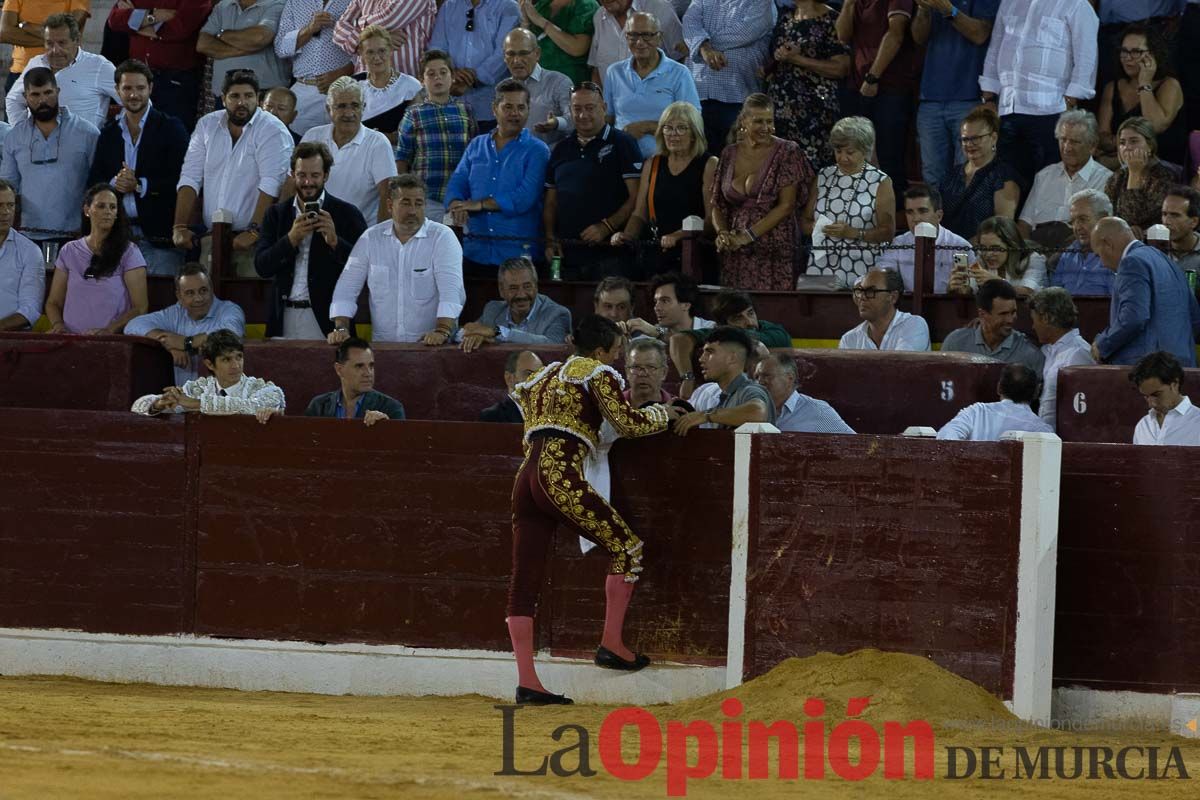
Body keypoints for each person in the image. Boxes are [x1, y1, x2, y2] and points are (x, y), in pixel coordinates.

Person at [506, 313, 679, 704]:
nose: (617, 360)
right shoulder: (596, 372)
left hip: (525, 479)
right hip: (558, 476)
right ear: (601, 350)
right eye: (616, 352)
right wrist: (661, 414)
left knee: (524, 580)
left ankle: (528, 683)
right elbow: (628, 424)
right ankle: (611, 645)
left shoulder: (542, 376)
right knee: (627, 547)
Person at [174, 69, 294, 278]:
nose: (242, 102)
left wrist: (255, 231)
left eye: (248, 96)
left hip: (255, 240)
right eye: (235, 96)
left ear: (258, 98)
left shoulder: (273, 129)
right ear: (223, 99)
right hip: (213, 237)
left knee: (251, 304)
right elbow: (190, 177)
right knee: (207, 303)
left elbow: (272, 183)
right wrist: (179, 225)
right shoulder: (207, 125)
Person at [328, 173, 464, 344]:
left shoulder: (443, 237)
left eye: (419, 203)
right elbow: (346, 289)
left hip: (431, 348)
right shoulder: (370, 239)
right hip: (383, 349)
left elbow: (452, 293)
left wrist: (442, 331)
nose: (413, 211)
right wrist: (341, 328)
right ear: (390, 205)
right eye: (406, 203)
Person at [255, 142, 369, 339]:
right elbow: (262, 266)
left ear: (326, 175)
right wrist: (290, 240)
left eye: (315, 175)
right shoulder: (275, 214)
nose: (308, 182)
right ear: (293, 174)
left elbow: (367, 267)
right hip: (284, 316)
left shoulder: (347, 213)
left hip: (329, 319)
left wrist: (335, 242)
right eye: (302, 175)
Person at [978, 0, 1098, 187]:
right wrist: (989, 96)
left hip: (1051, 111)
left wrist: (1070, 101)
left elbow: (1086, 59)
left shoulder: (1076, 5)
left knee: (1048, 182)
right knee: (1007, 182)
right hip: (1008, 109)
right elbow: (995, 49)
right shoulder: (1009, 3)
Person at [88, 59, 190, 277]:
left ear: (150, 88)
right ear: (117, 90)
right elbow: (94, 182)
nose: (134, 95)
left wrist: (140, 185)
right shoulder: (108, 134)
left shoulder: (171, 128)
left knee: (161, 301)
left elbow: (185, 179)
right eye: (127, 88)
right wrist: (115, 184)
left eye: (140, 88)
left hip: (160, 239)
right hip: (115, 237)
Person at [445, 78, 551, 274]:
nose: (515, 113)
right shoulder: (477, 145)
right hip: (475, 253)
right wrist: (456, 204)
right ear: (494, 108)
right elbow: (457, 183)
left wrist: (480, 204)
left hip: (518, 257)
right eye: (508, 107)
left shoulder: (537, 150)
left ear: (528, 110)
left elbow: (525, 197)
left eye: (521, 107)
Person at [713, 93, 812, 291]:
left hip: (775, 247)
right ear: (743, 121)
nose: (766, 128)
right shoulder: (728, 153)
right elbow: (717, 202)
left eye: (770, 121)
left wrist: (748, 236)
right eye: (759, 121)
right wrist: (723, 233)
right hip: (736, 250)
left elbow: (787, 205)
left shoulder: (788, 151)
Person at [544, 81, 642, 280]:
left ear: (604, 108)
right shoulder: (561, 148)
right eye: (577, 109)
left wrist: (607, 226)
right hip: (567, 256)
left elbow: (637, 197)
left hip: (611, 256)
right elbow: (550, 202)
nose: (583, 115)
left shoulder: (623, 143)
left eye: (590, 108)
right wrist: (549, 239)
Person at [611, 101, 715, 274]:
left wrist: (679, 235)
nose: (673, 134)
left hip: (695, 256)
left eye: (681, 128)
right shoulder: (653, 163)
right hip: (657, 254)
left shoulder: (709, 164)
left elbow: (712, 220)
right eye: (668, 128)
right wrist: (626, 237)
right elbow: (639, 214)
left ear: (694, 134)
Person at [0, 67, 99, 243]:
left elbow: (98, 185)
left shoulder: (87, 133)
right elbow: (8, 187)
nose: (43, 100)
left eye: (48, 93)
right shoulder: (14, 137)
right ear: (26, 97)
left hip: (76, 235)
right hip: (28, 235)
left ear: (58, 91)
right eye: (35, 95)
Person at [834, 0, 920, 204]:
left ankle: (894, 221)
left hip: (890, 87)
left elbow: (896, 34)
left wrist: (873, 77)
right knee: (854, 154)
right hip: (856, 86)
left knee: (889, 158)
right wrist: (848, 4)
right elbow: (843, 35)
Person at [912, 0, 999, 191]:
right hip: (931, 98)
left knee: (970, 170)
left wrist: (947, 9)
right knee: (932, 175)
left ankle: (964, 221)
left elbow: (980, 34)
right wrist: (923, 9)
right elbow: (919, 37)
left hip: (970, 97)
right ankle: (935, 221)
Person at [1090, 216, 1200, 367]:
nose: (1101, 263)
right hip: (1182, 365)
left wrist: (1102, 344)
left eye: (1098, 255)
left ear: (1107, 243)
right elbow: (1194, 318)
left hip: (1149, 371)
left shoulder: (1131, 262)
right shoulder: (1168, 262)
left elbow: (1134, 316)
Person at [43, 183, 147, 336]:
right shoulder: (69, 251)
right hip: (71, 339)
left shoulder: (130, 252)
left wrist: (109, 330)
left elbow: (140, 307)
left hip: (111, 341)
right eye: (101, 206)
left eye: (113, 207)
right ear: (87, 210)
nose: (107, 212)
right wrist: (58, 325)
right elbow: (53, 303)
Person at [124, 262, 246, 383]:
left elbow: (230, 333)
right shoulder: (175, 313)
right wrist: (167, 343)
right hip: (183, 396)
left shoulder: (229, 310)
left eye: (203, 290)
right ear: (179, 296)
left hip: (222, 397)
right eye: (190, 293)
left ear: (211, 289)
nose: (198, 298)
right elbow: (133, 325)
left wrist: (185, 343)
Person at [807, 115, 892, 288]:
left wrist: (854, 233)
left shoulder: (880, 181)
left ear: (865, 150)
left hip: (863, 269)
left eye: (850, 152)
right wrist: (819, 228)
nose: (843, 158)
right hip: (821, 267)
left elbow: (888, 232)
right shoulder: (824, 176)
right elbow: (804, 221)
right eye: (838, 151)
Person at [682, 0, 776, 154]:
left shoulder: (761, 2)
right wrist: (704, 49)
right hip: (698, 95)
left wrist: (699, 44)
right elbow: (689, 22)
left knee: (737, 158)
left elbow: (745, 32)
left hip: (737, 97)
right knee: (699, 160)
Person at [300, 76, 397, 223]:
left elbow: (388, 194)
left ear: (363, 108)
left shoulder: (377, 143)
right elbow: (292, 182)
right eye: (341, 106)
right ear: (328, 109)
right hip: (313, 229)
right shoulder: (313, 136)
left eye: (355, 106)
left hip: (359, 236)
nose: (349, 113)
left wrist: (380, 238)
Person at [603, 11, 699, 159]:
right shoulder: (614, 72)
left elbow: (693, 124)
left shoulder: (679, 73)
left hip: (666, 159)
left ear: (659, 38)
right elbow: (608, 118)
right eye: (633, 35)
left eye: (647, 35)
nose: (640, 42)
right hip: (621, 157)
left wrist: (647, 127)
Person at [765, 0, 848, 171]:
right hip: (780, 110)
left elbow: (840, 68)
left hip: (815, 113)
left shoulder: (832, 20)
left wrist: (798, 59)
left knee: (813, 171)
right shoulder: (786, 18)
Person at [131, 329, 286, 421]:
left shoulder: (263, 389)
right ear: (209, 364)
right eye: (226, 359)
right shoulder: (198, 389)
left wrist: (197, 404)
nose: (236, 365)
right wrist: (159, 404)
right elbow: (138, 406)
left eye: (239, 357)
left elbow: (252, 406)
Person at [395, 49, 476, 221]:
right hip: (426, 197)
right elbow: (402, 157)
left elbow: (473, 153)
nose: (437, 77)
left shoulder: (465, 110)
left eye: (443, 72)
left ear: (452, 76)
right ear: (422, 80)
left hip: (460, 197)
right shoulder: (413, 114)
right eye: (431, 74)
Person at [105, 0, 213, 130]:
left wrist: (136, 22)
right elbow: (115, 20)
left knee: (174, 136)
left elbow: (179, 29)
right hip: (140, 78)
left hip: (176, 81)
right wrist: (153, 15)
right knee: (138, 135)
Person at [1017, 109, 1113, 248]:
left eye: (1074, 142)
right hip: (1037, 247)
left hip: (1077, 248)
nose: (1067, 148)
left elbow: (1103, 229)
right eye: (1063, 140)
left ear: (1092, 146)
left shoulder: (1106, 179)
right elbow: (1024, 224)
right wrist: (1028, 254)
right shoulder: (1044, 175)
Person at [5, 13, 119, 130]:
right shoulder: (36, 63)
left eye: (62, 43)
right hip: (39, 145)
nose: (55, 50)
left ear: (77, 40)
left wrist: (116, 134)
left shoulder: (99, 66)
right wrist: (23, 133)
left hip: (84, 145)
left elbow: (128, 100)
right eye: (50, 43)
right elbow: (14, 100)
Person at [1096, 23, 1186, 168]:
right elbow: (1102, 137)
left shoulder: (1170, 85)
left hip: (1162, 165)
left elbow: (1155, 126)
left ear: (1153, 54)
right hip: (1120, 162)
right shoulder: (1112, 87)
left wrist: (1144, 83)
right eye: (1124, 51)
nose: (1127, 57)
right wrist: (1131, 146)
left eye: (1136, 51)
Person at [428, 0, 521, 130]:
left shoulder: (508, 7)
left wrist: (472, 79)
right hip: (450, 107)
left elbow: (504, 53)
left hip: (491, 110)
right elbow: (436, 48)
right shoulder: (449, 6)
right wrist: (450, 75)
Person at [273, 0, 355, 136]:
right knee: (301, 150)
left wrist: (344, 72)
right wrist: (309, 29)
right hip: (303, 92)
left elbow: (367, 42)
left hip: (344, 91)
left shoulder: (354, 1)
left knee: (343, 150)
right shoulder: (295, 3)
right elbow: (281, 48)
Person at [939, 104, 1020, 240]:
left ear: (993, 138)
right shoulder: (950, 175)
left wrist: (964, 249)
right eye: (965, 139)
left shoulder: (1004, 177)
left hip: (983, 253)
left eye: (976, 138)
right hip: (946, 250)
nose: (970, 144)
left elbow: (1002, 229)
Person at [674, 325, 774, 434]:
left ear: (732, 358)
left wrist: (706, 415)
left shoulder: (749, 390)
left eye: (710, 352)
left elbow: (758, 412)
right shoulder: (726, 395)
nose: (701, 359)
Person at [877, 184, 975, 294]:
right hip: (908, 308)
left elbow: (973, 287)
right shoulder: (898, 244)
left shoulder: (960, 246)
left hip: (949, 306)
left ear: (939, 216)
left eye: (922, 211)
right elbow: (883, 277)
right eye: (910, 212)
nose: (915, 218)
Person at [459, 256, 571, 351]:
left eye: (527, 286)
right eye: (513, 288)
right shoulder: (493, 310)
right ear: (501, 290)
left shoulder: (557, 313)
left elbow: (553, 345)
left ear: (536, 286)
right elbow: (467, 333)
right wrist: (473, 336)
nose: (521, 295)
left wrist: (498, 332)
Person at [941, 279, 1045, 372]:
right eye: (1003, 314)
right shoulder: (955, 344)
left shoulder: (1030, 354)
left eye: (1013, 312)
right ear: (982, 314)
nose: (1010, 320)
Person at [198, 0, 291, 102]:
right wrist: (244, 50)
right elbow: (203, 44)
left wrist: (222, 35)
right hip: (225, 94)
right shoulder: (223, 6)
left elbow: (260, 38)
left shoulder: (277, 4)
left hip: (264, 96)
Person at [1029, 286, 1093, 430]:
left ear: (1045, 318)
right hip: (1048, 435)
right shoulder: (1049, 350)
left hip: (1066, 438)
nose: (1033, 326)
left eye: (1034, 320)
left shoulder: (1079, 353)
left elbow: (1081, 408)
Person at [936, 362, 1053, 440]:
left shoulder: (976, 412)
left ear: (999, 388)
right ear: (1036, 393)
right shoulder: (1042, 430)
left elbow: (945, 438)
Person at [1103, 116, 1178, 237]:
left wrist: (1135, 173)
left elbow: (1134, 217)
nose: (1127, 147)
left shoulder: (1165, 175)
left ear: (1150, 146)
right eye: (1122, 142)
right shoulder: (1117, 176)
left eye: (1134, 141)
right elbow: (1108, 215)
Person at [303, 337, 407, 423]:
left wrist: (387, 428)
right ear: (339, 369)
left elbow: (401, 446)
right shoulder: (318, 406)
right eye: (359, 366)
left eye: (371, 366)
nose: (368, 373)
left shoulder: (391, 408)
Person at [332, 0, 436, 81]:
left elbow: (389, 18)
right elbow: (338, 29)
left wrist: (359, 23)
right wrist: (366, 41)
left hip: (406, 85)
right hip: (367, 84)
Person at [503, 27, 573, 147]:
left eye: (523, 53)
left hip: (550, 157)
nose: (516, 60)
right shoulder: (503, 88)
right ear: (504, 57)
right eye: (511, 54)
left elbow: (575, 120)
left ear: (537, 54)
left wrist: (556, 122)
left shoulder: (559, 82)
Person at [589, 0, 684, 86]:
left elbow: (681, 58)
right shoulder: (599, 16)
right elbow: (596, 70)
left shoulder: (660, 9)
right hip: (609, 103)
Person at [755, 351, 854, 434]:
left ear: (790, 378)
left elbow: (856, 445)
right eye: (757, 377)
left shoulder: (818, 411)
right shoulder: (753, 408)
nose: (759, 382)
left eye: (766, 376)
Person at [0, 1, 89, 93]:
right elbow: (5, 34)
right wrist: (57, 41)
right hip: (21, 73)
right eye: (49, 43)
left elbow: (70, 30)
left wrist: (27, 26)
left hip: (63, 72)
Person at [354, 24, 422, 143]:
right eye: (370, 52)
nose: (377, 57)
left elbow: (413, 134)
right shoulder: (353, 85)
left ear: (390, 50)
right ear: (361, 54)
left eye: (382, 51)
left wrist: (376, 137)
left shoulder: (411, 86)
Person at [949, 215, 1046, 297]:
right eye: (983, 248)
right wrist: (960, 290)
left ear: (1011, 245)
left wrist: (996, 283)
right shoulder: (980, 259)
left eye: (995, 248)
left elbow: (1028, 292)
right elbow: (971, 289)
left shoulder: (1033, 259)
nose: (988, 254)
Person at [838, 267, 931, 350]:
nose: (862, 297)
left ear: (893, 297)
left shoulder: (914, 325)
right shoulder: (849, 339)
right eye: (860, 291)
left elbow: (899, 366)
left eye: (871, 291)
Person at [1050, 188, 1116, 296]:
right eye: (1073, 222)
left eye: (1083, 219)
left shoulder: (1117, 255)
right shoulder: (1067, 255)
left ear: (1104, 218)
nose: (1077, 227)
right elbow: (1054, 299)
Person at [519, 0, 599, 86]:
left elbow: (577, 48)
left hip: (571, 85)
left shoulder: (586, 5)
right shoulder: (542, 4)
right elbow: (524, 48)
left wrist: (540, 21)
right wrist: (525, 21)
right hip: (539, 86)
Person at [1129, 350, 1200, 446]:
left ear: (1175, 384)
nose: (1151, 404)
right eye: (1146, 396)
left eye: (1157, 394)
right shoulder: (1142, 426)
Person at [620, 270, 714, 341]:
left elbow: (685, 343)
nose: (657, 308)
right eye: (655, 301)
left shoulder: (711, 328)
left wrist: (660, 334)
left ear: (686, 305)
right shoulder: (651, 334)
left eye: (665, 301)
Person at [0, 180, 44, 331]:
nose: (5, 212)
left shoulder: (30, 251)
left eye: (10, 205)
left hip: (12, 342)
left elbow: (31, 309)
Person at [480, 348, 543, 422]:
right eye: (528, 374)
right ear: (509, 378)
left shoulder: (548, 414)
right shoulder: (492, 416)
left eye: (540, 375)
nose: (537, 380)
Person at [624, 336, 673, 405]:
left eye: (651, 367)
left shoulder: (679, 409)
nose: (642, 374)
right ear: (627, 372)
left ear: (664, 373)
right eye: (636, 367)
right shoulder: (610, 407)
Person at [1162, 185, 1200, 271]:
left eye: (1175, 215)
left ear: (1194, 222)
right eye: (1164, 214)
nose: (1166, 221)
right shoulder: (1155, 248)